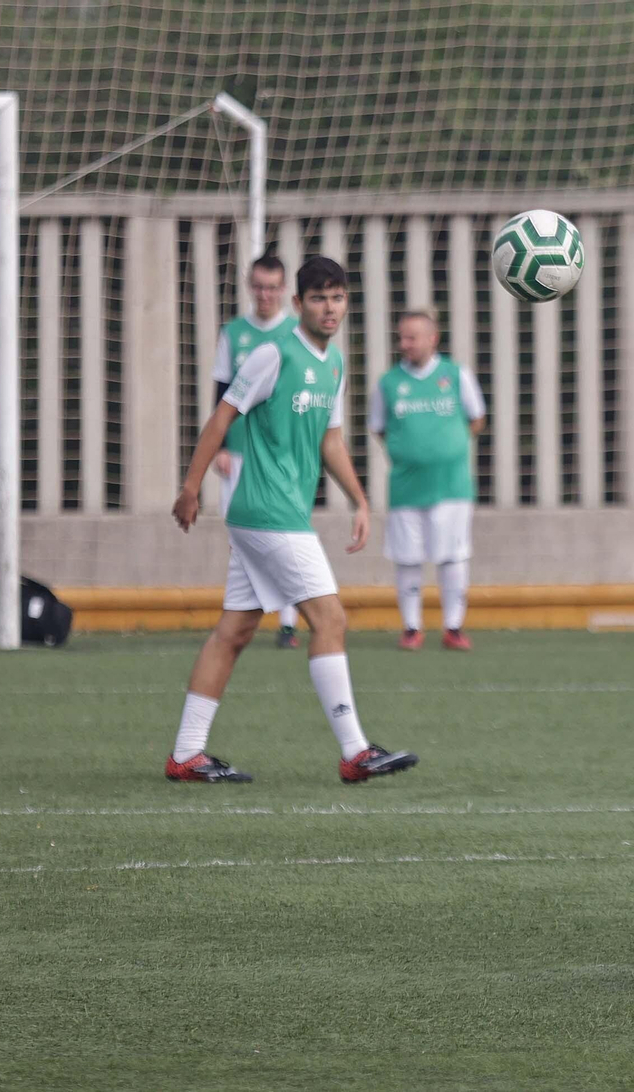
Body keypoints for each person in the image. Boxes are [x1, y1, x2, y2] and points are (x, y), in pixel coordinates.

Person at [167, 256, 416, 784]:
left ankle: (186, 754)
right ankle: (354, 751)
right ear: (298, 304)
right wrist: (192, 487)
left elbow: (330, 438)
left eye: (339, 297)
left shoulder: (335, 364)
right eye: (320, 297)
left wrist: (360, 499)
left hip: (273, 514)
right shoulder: (272, 353)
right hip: (267, 512)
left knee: (233, 632)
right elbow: (222, 415)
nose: (331, 307)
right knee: (330, 620)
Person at [369, 308, 486, 652]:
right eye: (402, 337)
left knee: (452, 555)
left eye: (412, 337)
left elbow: (476, 418)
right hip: (405, 486)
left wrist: (447, 447)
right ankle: (411, 627)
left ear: (432, 339)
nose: (405, 344)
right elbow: (379, 427)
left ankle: (453, 626)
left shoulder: (455, 375)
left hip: (451, 485)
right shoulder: (388, 383)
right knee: (407, 557)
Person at [212, 249, 304, 649]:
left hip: (283, 455)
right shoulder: (233, 334)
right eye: (259, 288)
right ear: (251, 288)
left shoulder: (297, 334)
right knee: (242, 537)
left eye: (272, 288)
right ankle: (241, 618)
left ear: (284, 290)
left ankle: (288, 623)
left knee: (287, 535)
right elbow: (221, 392)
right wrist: (218, 447)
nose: (265, 295)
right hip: (239, 454)